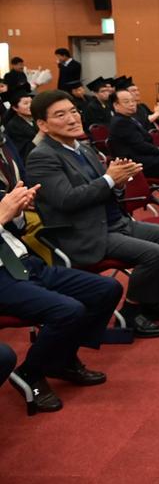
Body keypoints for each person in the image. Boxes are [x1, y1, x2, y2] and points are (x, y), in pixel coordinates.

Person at [26, 90, 159, 338]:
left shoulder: (83, 149)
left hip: (115, 223)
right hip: (84, 233)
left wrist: (119, 183)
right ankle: (132, 312)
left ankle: (150, 302)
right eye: (60, 115)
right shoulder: (42, 157)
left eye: (73, 111)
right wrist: (109, 180)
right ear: (42, 124)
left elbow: (106, 188)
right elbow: (67, 200)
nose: (72, 119)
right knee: (154, 253)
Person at [0, 177, 121, 414]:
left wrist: (17, 210)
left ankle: (61, 359)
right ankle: (30, 372)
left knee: (107, 289)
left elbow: (16, 229)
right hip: (3, 277)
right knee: (68, 310)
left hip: (25, 263)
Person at [4, 89, 38, 162]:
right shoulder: (13, 126)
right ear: (15, 108)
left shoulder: (36, 119)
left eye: (31, 102)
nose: (31, 105)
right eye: (26, 103)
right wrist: (42, 133)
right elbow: (23, 151)